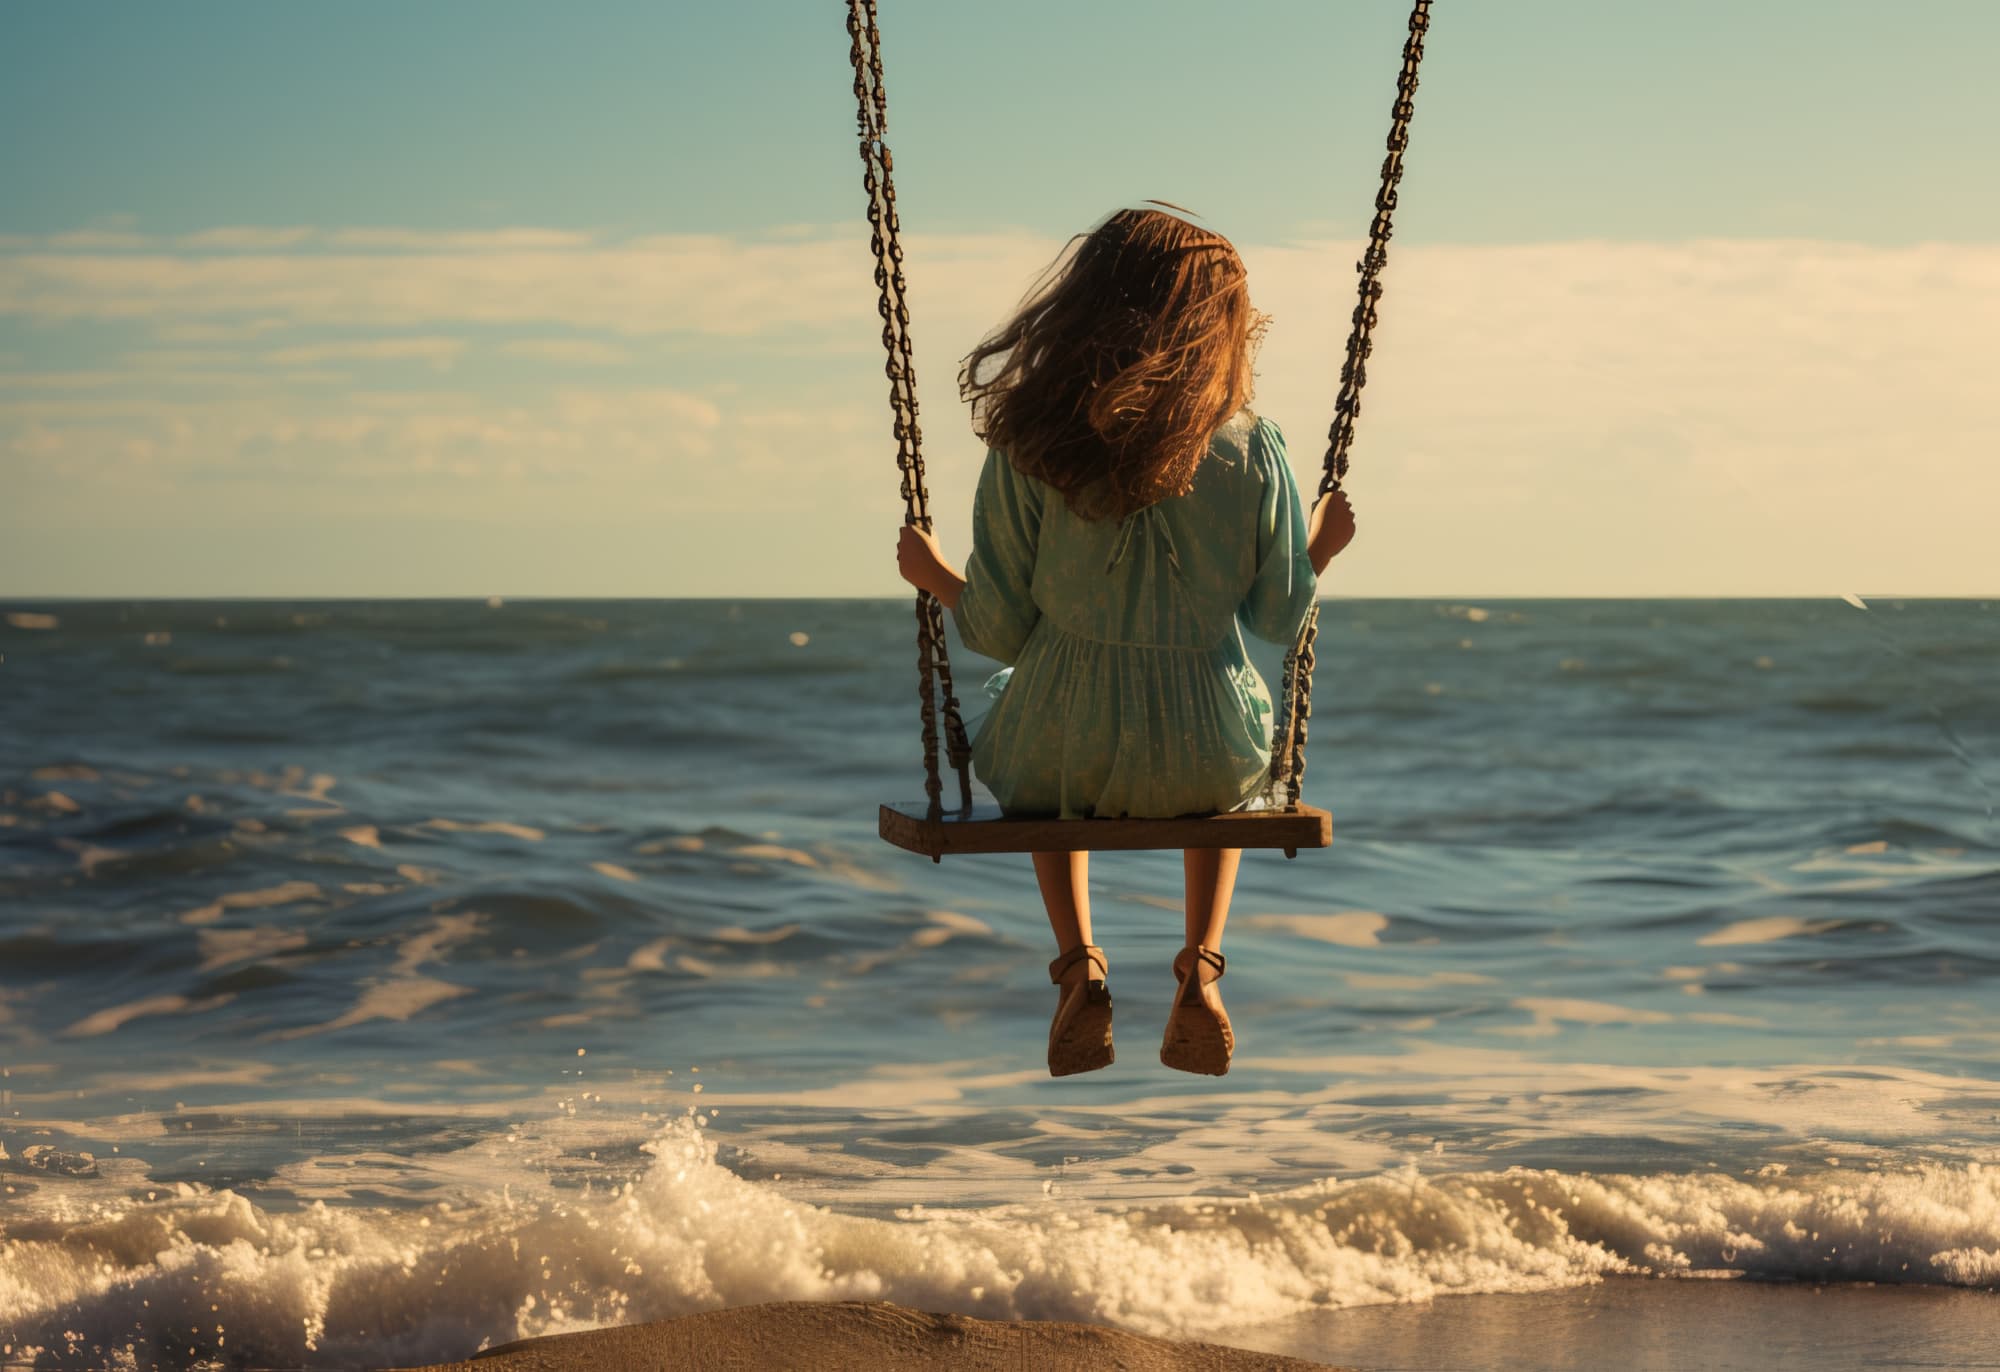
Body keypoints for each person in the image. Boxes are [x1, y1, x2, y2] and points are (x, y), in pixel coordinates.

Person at [894, 204, 1357, 1079]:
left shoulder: (1033, 448)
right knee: (1227, 782)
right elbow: (1274, 619)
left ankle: (1079, 966)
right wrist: (1318, 551)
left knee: (1040, 751)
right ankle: (1202, 966)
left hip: (1057, 749)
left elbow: (999, 630)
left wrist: (935, 576)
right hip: (1209, 754)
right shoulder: (1254, 447)